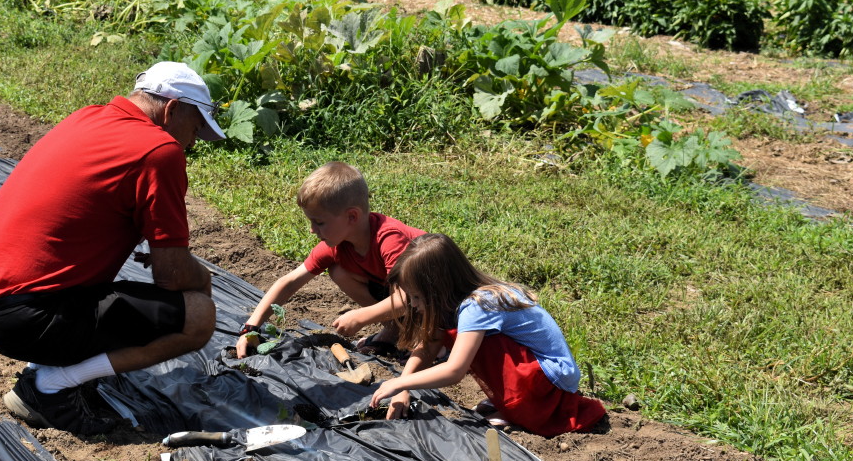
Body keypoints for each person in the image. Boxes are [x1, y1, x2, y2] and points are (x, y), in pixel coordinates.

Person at [0, 62, 223, 435]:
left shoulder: (87, 118)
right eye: (195, 129)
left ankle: (47, 367)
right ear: (172, 109)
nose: (192, 142)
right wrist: (202, 278)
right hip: (23, 317)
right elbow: (172, 275)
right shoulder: (159, 151)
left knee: (109, 295)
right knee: (198, 315)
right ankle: (49, 387)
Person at [370, 233, 606, 437]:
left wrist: (399, 381)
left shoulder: (478, 305)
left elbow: (454, 370)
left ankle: (521, 407)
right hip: (543, 374)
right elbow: (430, 345)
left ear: (439, 290)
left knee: (472, 341)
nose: (413, 305)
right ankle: (511, 400)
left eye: (417, 297)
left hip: (551, 379)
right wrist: (403, 389)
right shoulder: (459, 302)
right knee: (454, 334)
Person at [236, 161, 425, 359]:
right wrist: (251, 328)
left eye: (319, 222)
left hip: (439, 298)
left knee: (434, 335)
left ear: (352, 217)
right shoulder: (337, 246)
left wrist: (362, 317)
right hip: (406, 295)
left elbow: (406, 297)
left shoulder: (388, 239)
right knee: (338, 271)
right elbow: (290, 282)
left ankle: (429, 338)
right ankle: (395, 328)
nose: (312, 230)